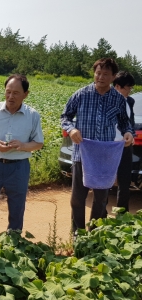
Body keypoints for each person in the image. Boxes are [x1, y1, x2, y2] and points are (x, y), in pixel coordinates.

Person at [60, 58, 133, 235]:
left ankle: (94, 233)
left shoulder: (117, 99)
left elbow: (124, 122)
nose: (100, 77)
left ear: (113, 77)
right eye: (98, 73)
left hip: (105, 157)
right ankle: (77, 234)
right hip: (81, 154)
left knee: (101, 199)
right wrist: (71, 130)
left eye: (105, 74)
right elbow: (65, 117)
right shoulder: (81, 94)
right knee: (78, 198)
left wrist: (128, 132)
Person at [0, 74, 44, 242]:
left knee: (17, 209)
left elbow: (38, 143)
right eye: (8, 92)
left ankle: (13, 245)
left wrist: (22, 145)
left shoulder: (33, 115)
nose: (11, 96)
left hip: (18, 167)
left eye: (16, 93)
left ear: (26, 94)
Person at [113, 71, 136, 212]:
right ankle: (100, 216)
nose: (129, 91)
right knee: (104, 181)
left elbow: (130, 122)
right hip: (109, 146)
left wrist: (131, 135)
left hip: (125, 146)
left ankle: (122, 215)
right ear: (117, 86)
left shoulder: (130, 101)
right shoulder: (106, 100)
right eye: (128, 88)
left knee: (125, 181)